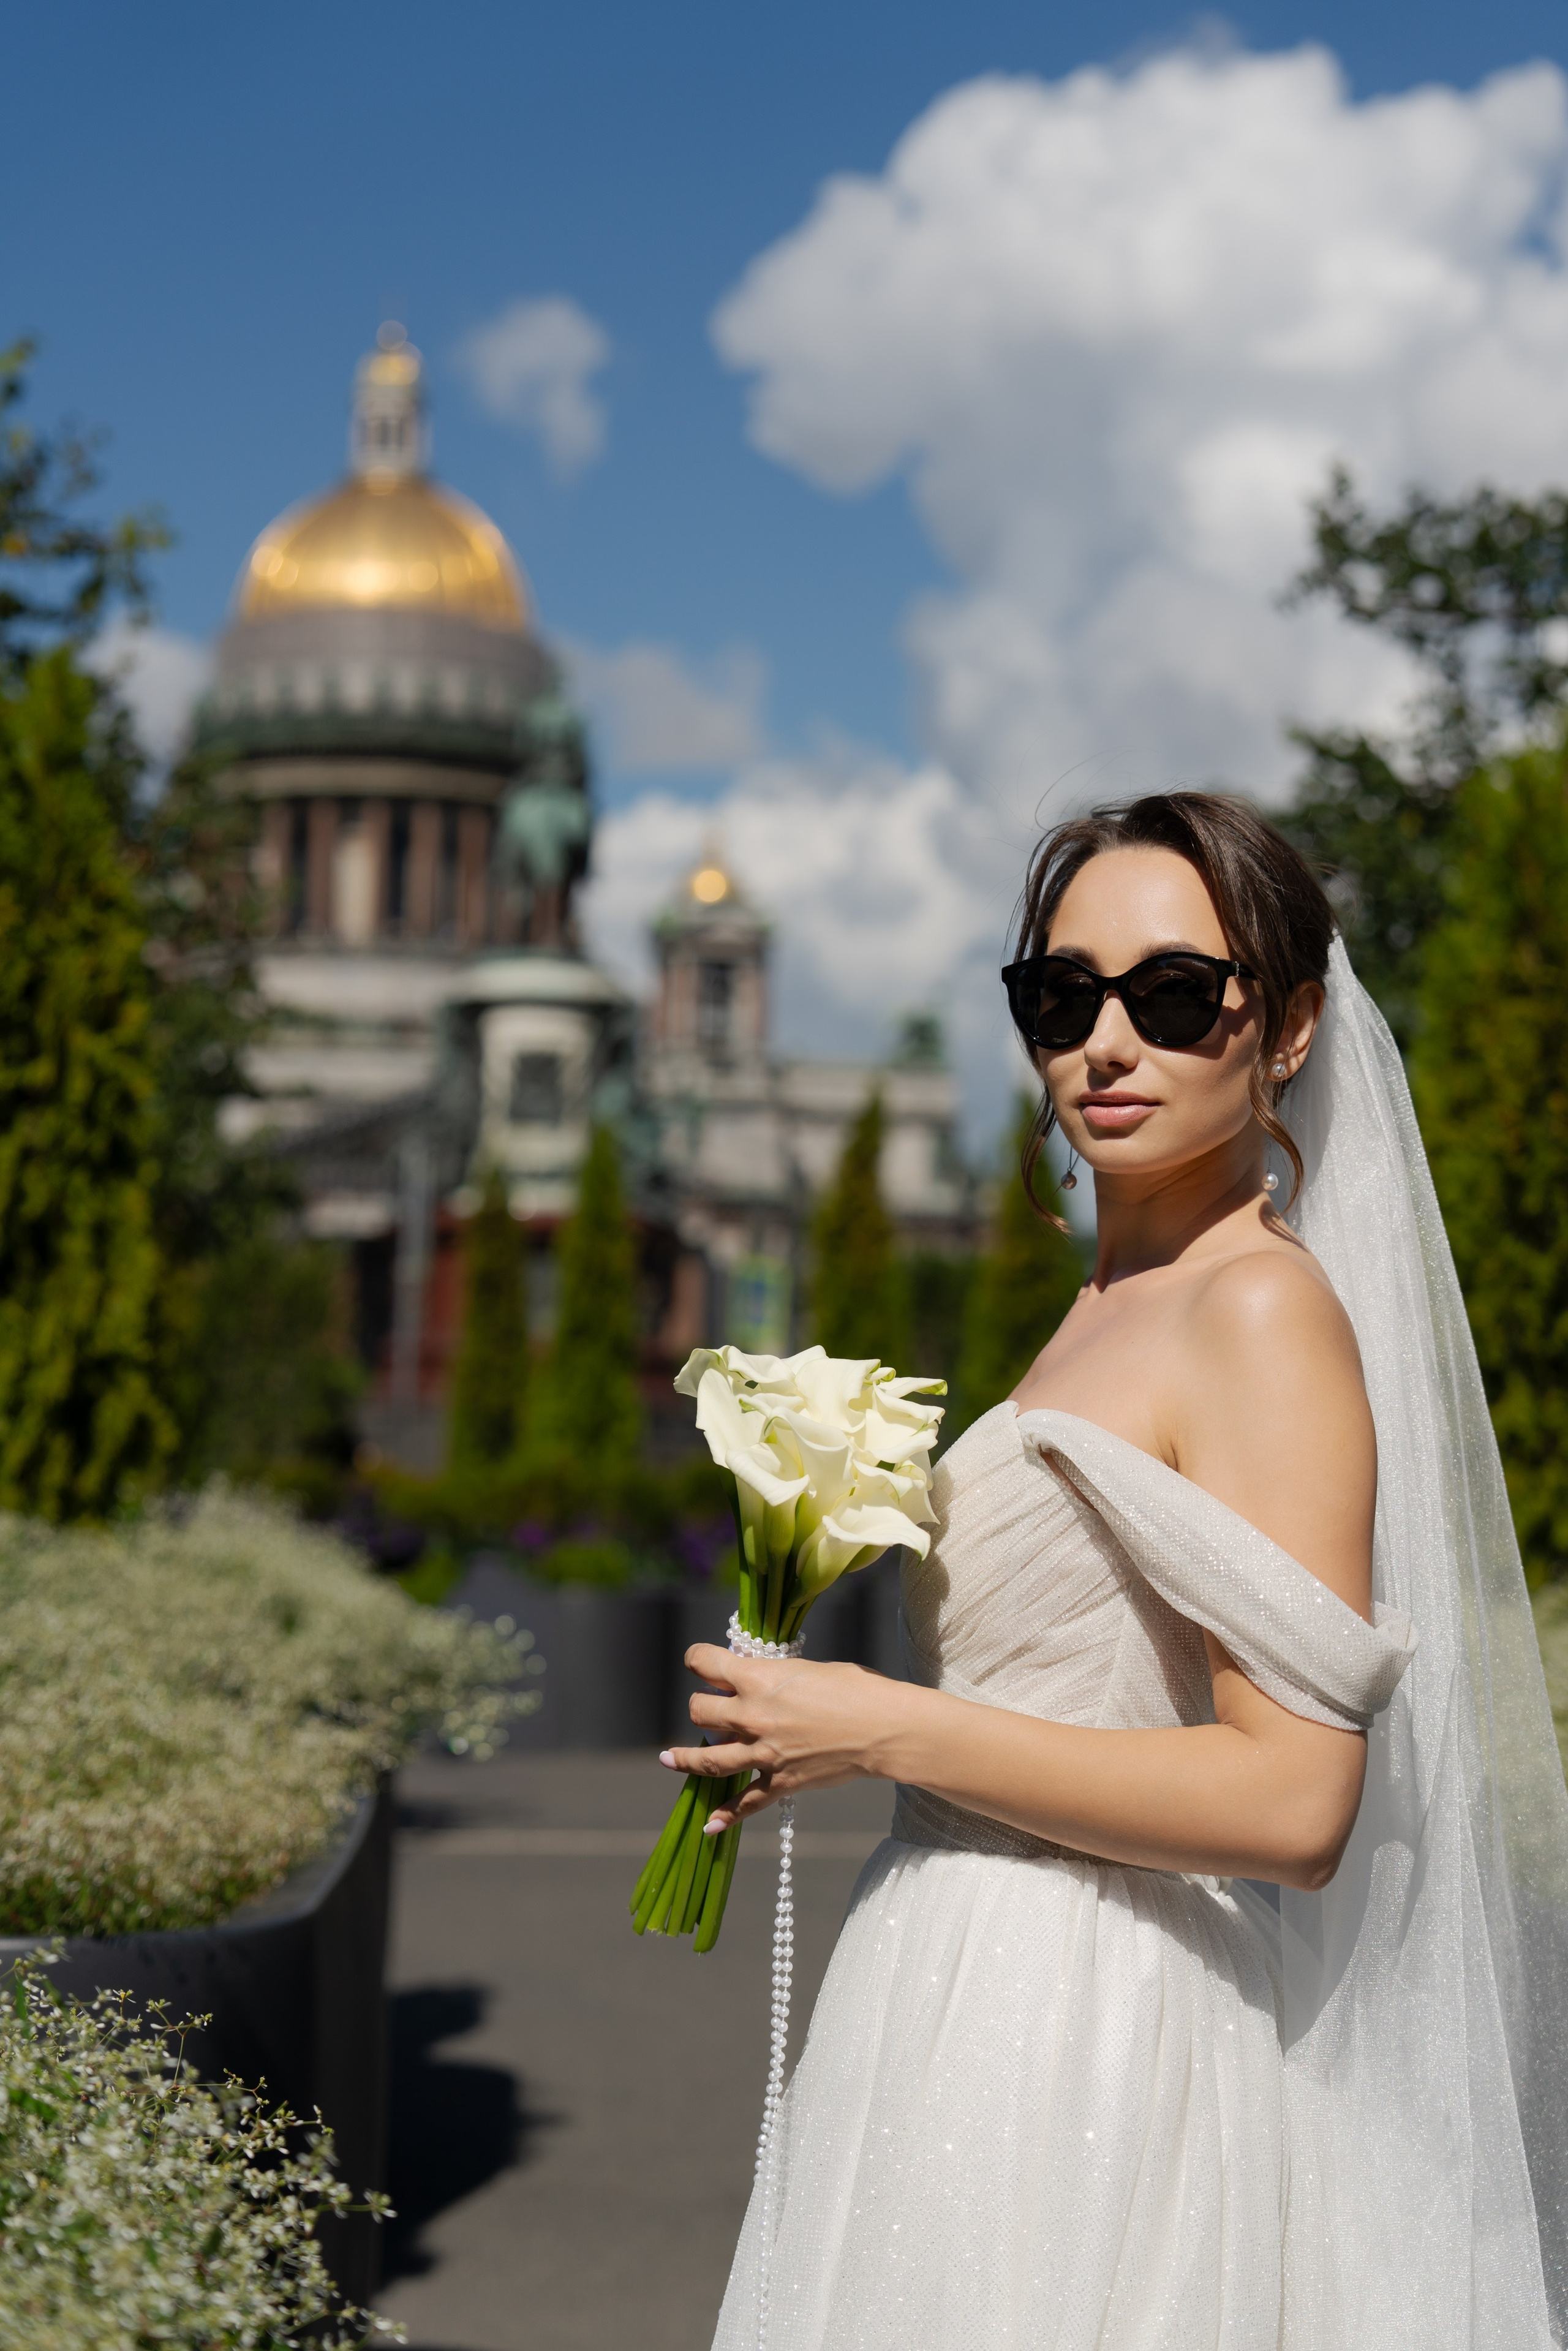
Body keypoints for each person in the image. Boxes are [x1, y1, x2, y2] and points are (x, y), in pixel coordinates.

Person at [671, 792, 1568, 2350]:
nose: (1103, 1041)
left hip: (1098, 2036)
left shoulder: (1254, 1312)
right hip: (948, 1996)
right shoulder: (1107, 1300)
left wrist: (877, 1729)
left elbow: (1292, 1803)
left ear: (1283, 1028)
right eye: (1057, 993)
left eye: (1170, 994)